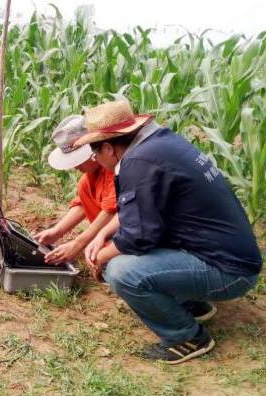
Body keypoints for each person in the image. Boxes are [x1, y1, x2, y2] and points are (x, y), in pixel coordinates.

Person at [72, 99, 263, 364]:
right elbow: (141, 210)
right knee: (117, 250)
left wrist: (100, 256)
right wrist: (102, 234)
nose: (96, 160)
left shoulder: (138, 162)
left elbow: (138, 236)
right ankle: (189, 305)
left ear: (108, 147)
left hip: (230, 270)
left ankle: (187, 336)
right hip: (226, 255)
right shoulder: (159, 145)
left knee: (120, 271)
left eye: (96, 154)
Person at [33, 115, 117, 265]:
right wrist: (56, 232)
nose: (75, 166)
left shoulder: (114, 171)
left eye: (78, 160)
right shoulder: (89, 178)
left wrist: (78, 244)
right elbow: (82, 204)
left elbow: (111, 211)